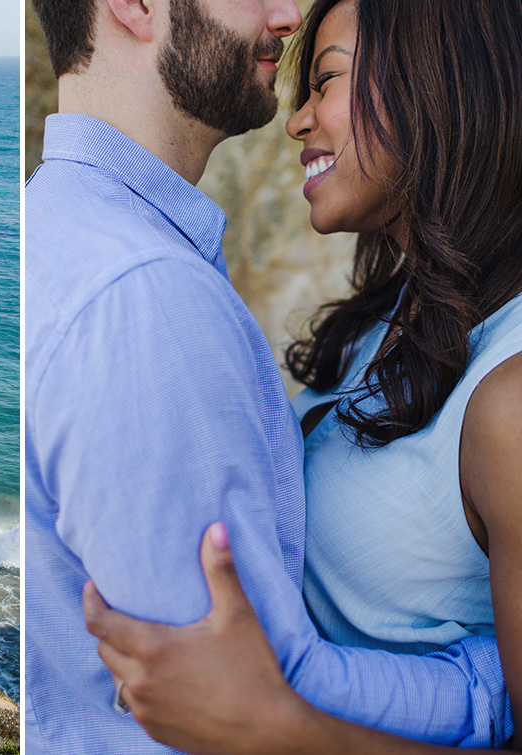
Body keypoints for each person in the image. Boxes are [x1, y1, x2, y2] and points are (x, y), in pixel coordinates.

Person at [25, 0, 512, 752]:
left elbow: (249, 690)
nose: (283, 14)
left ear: (446, 86)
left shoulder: (62, 235)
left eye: (327, 81)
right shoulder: (144, 292)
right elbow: (235, 687)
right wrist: (490, 690)